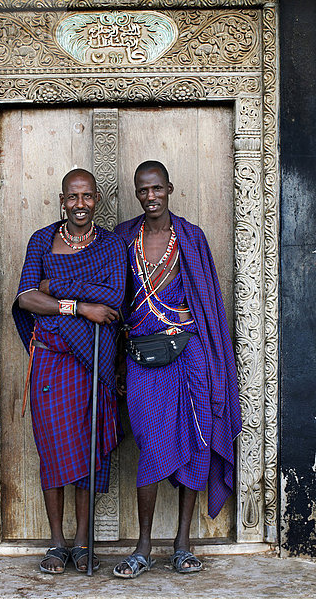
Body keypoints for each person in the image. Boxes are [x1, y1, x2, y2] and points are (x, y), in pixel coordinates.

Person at [113, 161, 242, 578]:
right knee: (151, 445)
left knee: (197, 440)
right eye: (142, 190)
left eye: (156, 189)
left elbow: (207, 301)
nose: (150, 197)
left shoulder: (190, 237)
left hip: (190, 356)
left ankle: (182, 544)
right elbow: (111, 297)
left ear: (169, 188)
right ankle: (143, 547)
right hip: (143, 358)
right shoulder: (123, 237)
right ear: (136, 193)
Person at [12, 168, 126, 574]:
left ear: (97, 200)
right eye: (72, 197)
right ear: (62, 200)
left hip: (90, 362)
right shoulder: (42, 239)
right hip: (49, 361)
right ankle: (57, 543)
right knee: (53, 451)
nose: (80, 204)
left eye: (87, 197)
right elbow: (26, 297)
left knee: (86, 450)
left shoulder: (111, 245)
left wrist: (54, 285)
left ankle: (82, 542)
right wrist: (77, 307)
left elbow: (114, 296)